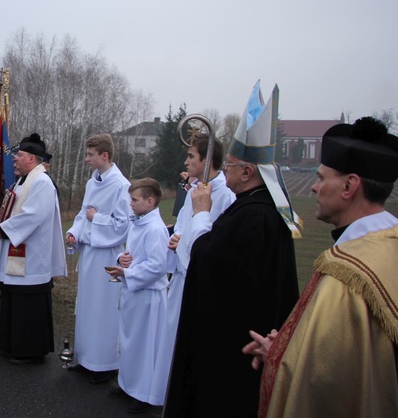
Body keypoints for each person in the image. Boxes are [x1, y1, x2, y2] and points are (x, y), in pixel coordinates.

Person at [243, 116, 398, 417]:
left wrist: (277, 355)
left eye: (322, 177)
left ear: (349, 186)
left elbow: (324, 380)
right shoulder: (389, 244)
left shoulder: (348, 273)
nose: (314, 188)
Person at [164, 82, 300, 416]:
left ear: (248, 171)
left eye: (230, 167)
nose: (225, 172)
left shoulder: (253, 217)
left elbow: (206, 261)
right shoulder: (256, 208)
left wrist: (201, 214)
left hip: (230, 344)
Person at [152, 135, 235, 404]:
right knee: (170, 337)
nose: (186, 161)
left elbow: (215, 240)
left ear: (208, 160)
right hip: (180, 275)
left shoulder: (224, 196)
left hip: (196, 278)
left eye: (191, 157)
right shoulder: (196, 190)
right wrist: (177, 238)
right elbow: (182, 226)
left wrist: (183, 242)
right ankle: (162, 393)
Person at [0, 133, 67, 364]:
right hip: (20, 250)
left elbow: (33, 216)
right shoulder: (23, 180)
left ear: (32, 159)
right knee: (15, 301)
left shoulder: (42, 182)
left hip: (33, 254)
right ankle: (13, 344)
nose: (14, 159)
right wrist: (0, 222)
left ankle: (30, 350)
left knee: (29, 306)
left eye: (19, 155)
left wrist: (5, 229)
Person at [65, 133, 131, 383]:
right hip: (91, 253)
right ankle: (85, 358)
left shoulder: (120, 185)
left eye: (90, 155)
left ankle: (105, 364)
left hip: (108, 256)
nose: (86, 159)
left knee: (103, 311)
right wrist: (74, 233)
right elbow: (83, 213)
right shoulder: (92, 182)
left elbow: (124, 225)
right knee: (87, 308)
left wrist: (97, 219)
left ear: (105, 155)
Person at [105, 178, 170, 414]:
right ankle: (128, 384)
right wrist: (122, 260)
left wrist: (128, 272)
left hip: (148, 297)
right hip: (133, 293)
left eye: (134, 200)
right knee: (130, 343)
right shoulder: (138, 223)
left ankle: (144, 393)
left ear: (150, 201)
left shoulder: (155, 229)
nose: (130, 204)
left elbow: (157, 266)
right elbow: (131, 254)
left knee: (144, 346)